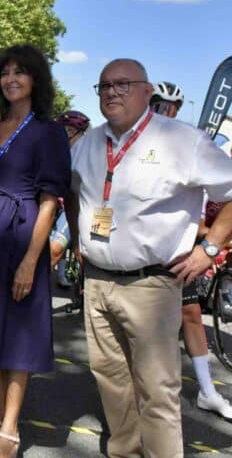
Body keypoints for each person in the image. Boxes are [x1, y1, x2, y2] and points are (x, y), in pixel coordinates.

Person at [66, 59, 232, 458]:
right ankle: (125, 452)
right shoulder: (88, 141)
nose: (111, 92)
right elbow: (74, 193)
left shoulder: (182, 141)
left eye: (123, 85)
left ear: (146, 92)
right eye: (104, 86)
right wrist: (76, 238)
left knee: (157, 391)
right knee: (111, 380)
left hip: (152, 284)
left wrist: (208, 250)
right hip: (98, 280)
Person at [0, 45, 70, 458]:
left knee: (17, 337)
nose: (11, 79)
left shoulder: (48, 131)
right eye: (5, 73)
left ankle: (10, 428)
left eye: (20, 72)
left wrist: (30, 260)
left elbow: (49, 200)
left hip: (22, 239)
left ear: (35, 79)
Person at [150, 81, 232, 420]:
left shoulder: (191, 147)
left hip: (180, 253)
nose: (165, 111)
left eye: (172, 107)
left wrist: (209, 246)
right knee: (145, 326)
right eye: (159, 104)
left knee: (192, 316)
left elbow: (207, 210)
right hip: (141, 255)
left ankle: (208, 392)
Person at [49, 110, 90, 287]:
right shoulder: (63, 151)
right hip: (61, 206)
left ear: (73, 132)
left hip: (76, 209)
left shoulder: (85, 151)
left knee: (54, 251)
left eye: (64, 130)